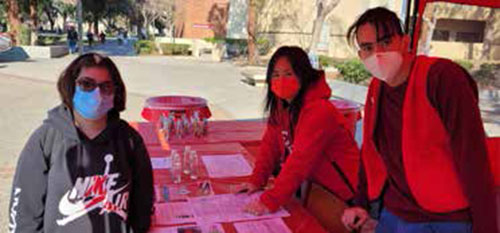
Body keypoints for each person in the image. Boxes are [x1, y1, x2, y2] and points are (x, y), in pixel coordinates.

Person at [341, 7, 497, 233]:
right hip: (394, 213)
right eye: (367, 47)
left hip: (446, 219)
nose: (378, 53)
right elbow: (371, 152)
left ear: (405, 42)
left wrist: (487, 227)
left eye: (385, 42)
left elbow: (473, 157)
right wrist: (361, 203)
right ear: (360, 55)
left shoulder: (442, 78)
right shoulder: (377, 88)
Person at [8, 53, 154, 233]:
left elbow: (143, 201)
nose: (97, 93)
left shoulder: (129, 140)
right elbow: (24, 213)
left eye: (106, 86)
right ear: (71, 86)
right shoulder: (46, 139)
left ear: (116, 92)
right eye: (86, 84)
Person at [238, 46, 360, 215]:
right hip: (315, 190)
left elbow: (300, 160)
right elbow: (270, 146)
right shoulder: (282, 105)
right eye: (276, 75)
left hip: (345, 195)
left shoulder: (319, 110)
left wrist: (270, 201)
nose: (281, 80)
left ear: (303, 75)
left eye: (289, 74)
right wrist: (256, 181)